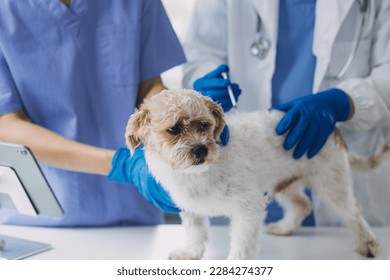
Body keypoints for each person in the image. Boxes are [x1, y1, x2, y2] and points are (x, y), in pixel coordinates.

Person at [182, 0, 390, 226]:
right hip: (243, 165)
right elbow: (200, 55)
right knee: (243, 249)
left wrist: (345, 102)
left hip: (339, 160)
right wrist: (204, 82)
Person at [0, 0, 186, 226]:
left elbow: (149, 86)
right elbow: (7, 124)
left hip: (133, 212)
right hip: (36, 220)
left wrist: (181, 113)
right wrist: (120, 164)